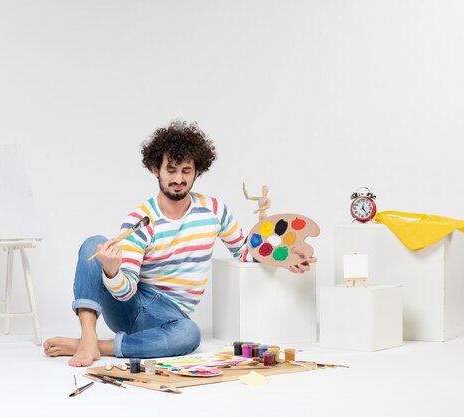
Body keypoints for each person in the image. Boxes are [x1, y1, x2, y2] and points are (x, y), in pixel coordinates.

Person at [43, 121, 316, 367]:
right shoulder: (139, 220)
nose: (178, 179)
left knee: (189, 334)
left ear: (197, 171)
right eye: (170, 170)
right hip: (132, 301)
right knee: (94, 244)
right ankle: (88, 337)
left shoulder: (214, 210)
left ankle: (98, 347)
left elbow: (243, 251)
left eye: (186, 170)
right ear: (155, 170)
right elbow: (124, 294)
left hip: (169, 315)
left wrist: (286, 257)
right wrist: (113, 271)